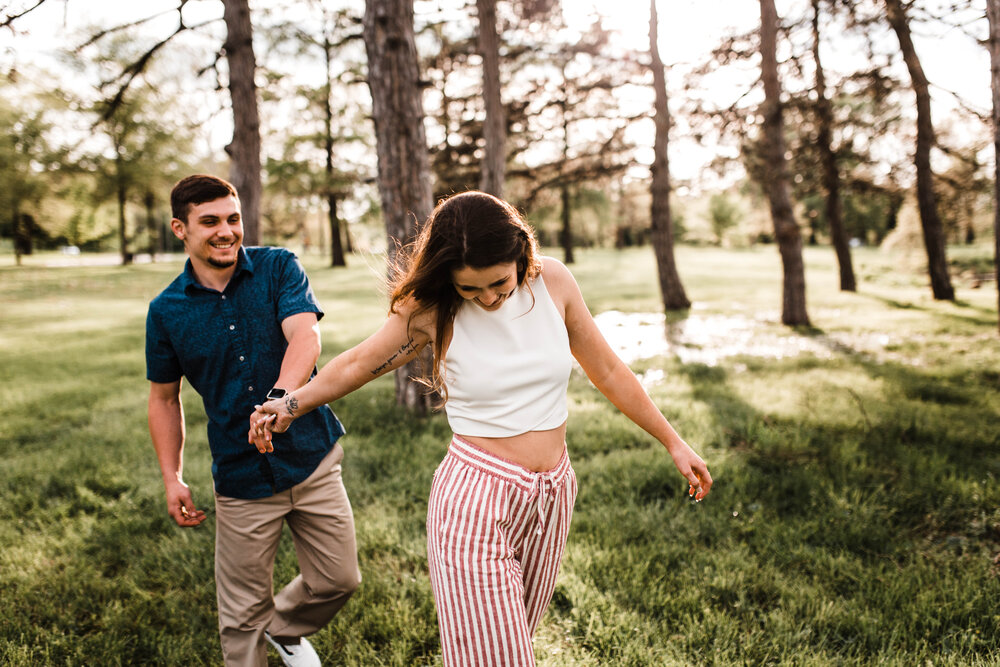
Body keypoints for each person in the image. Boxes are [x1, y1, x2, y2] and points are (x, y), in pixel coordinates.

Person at [249, 190, 712, 666]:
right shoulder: (430, 308)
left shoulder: (553, 281)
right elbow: (359, 364)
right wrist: (291, 403)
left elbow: (610, 371)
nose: (488, 298)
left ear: (521, 254)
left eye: (499, 283)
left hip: (552, 494)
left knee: (507, 644)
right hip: (476, 498)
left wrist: (672, 441)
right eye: (471, 289)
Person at [146, 174, 360, 667]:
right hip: (241, 476)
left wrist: (281, 400)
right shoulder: (166, 311)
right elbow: (163, 399)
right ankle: (258, 639)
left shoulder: (278, 267)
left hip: (311, 456)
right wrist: (171, 476)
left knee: (338, 580)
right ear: (181, 228)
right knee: (241, 617)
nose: (226, 231)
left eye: (233, 218)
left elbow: (305, 338)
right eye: (210, 222)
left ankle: (285, 630)